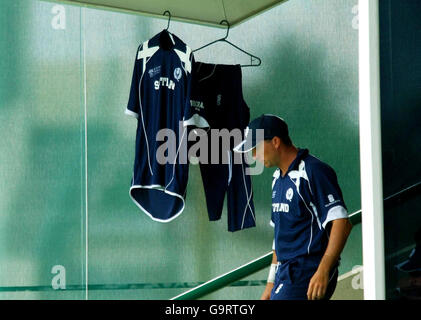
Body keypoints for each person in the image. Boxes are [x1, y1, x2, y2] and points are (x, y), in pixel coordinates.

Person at [234, 114, 353, 300]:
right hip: (285, 275)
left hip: (309, 271)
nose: (254, 155)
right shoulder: (277, 181)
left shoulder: (314, 171)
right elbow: (279, 239)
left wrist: (323, 270)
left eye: (256, 148)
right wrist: (270, 285)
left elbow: (342, 223)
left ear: (275, 141)